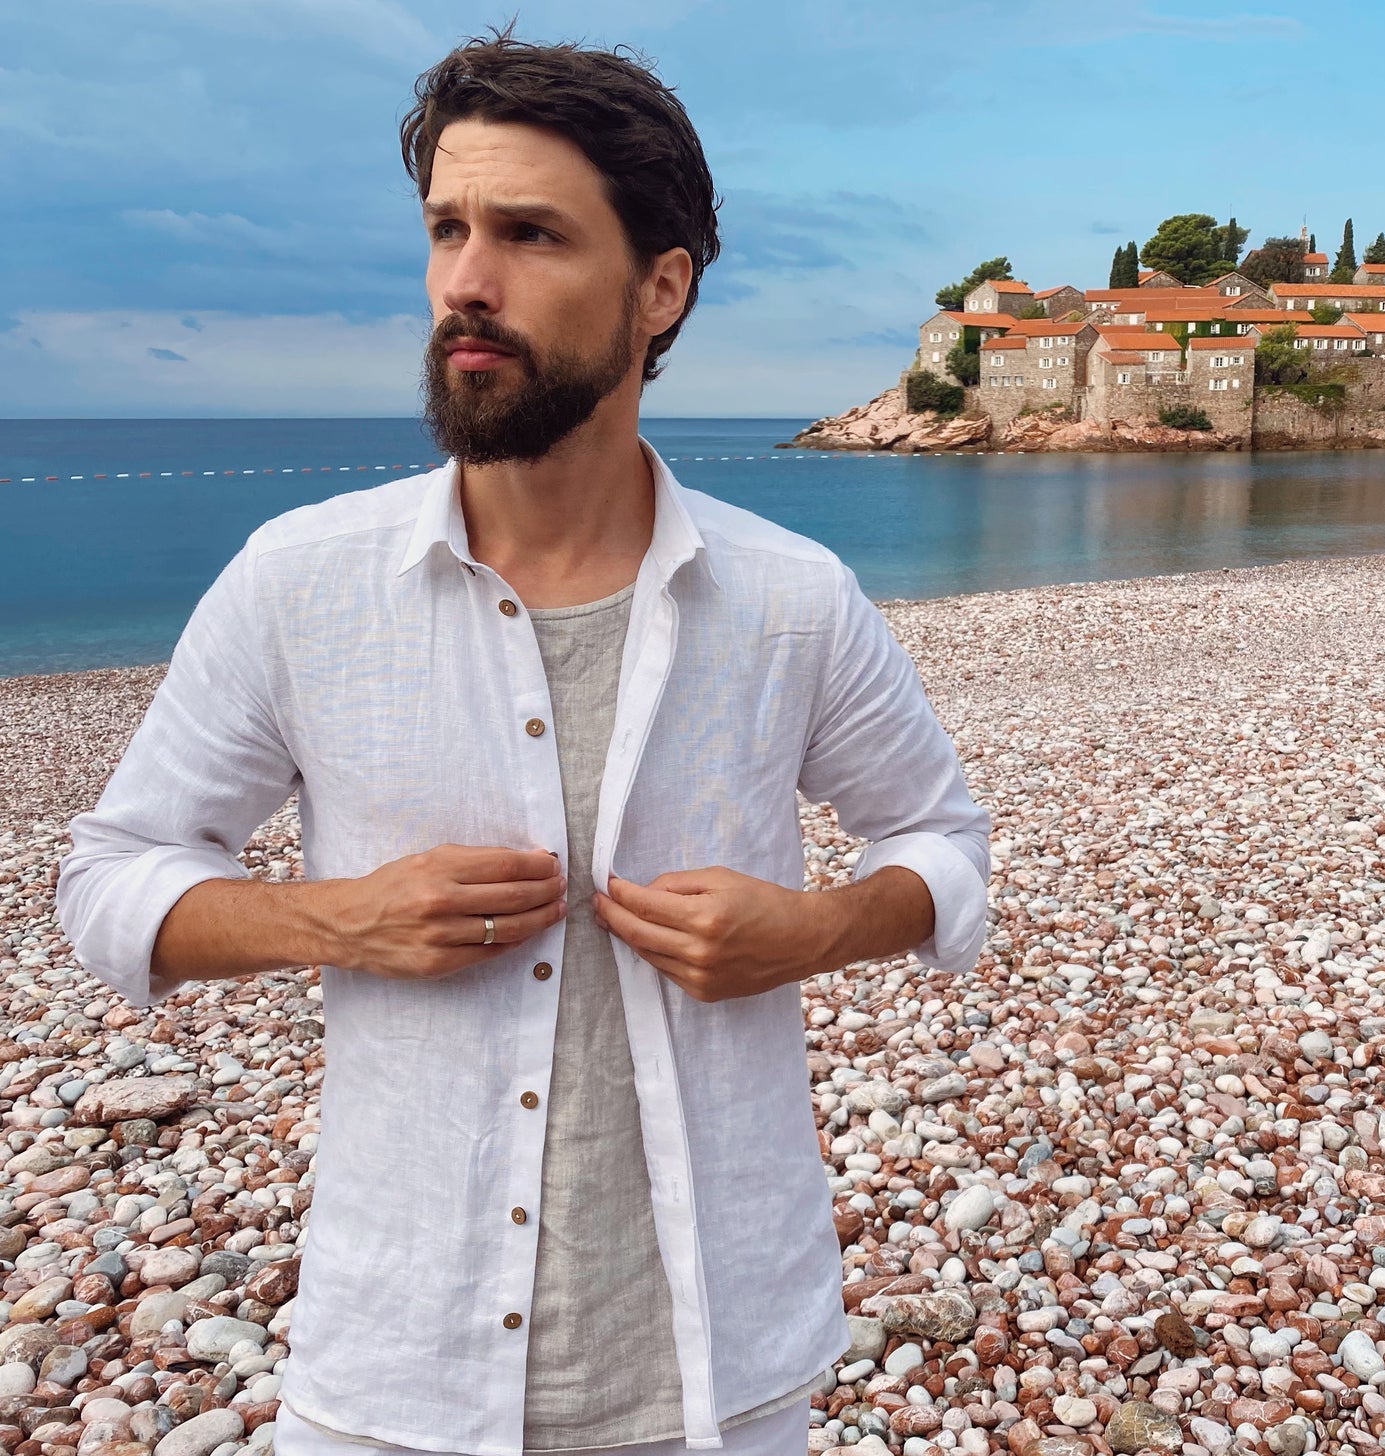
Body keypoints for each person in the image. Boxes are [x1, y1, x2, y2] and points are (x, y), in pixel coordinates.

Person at [56, 27, 990, 1456]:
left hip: (717, 1376)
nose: (464, 284)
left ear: (659, 288)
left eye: (529, 233)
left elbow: (940, 842)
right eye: (445, 230)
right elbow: (112, 877)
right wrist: (339, 917)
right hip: (392, 1376)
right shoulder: (300, 579)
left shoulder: (792, 600)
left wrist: (812, 930)